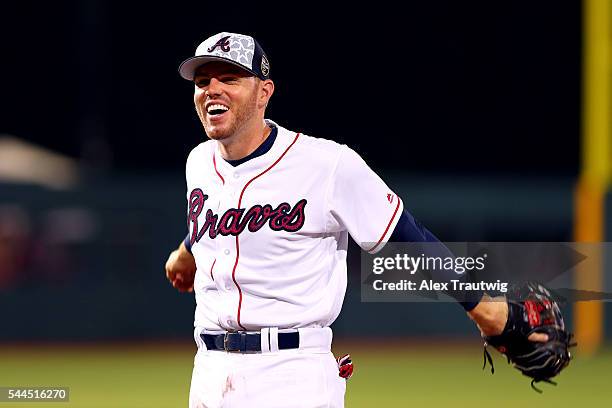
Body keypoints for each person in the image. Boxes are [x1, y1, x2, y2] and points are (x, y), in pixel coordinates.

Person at [165, 32, 543, 408]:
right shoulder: (198, 162)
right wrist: (187, 249)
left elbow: (407, 235)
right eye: (202, 82)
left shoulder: (326, 165)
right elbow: (222, 210)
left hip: (290, 373)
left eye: (229, 79)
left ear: (264, 92)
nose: (212, 89)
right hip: (208, 372)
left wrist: (482, 307)